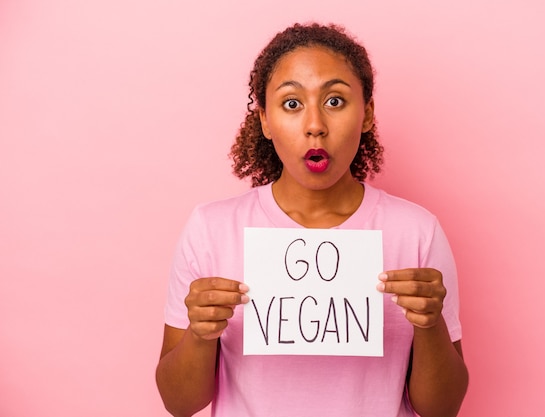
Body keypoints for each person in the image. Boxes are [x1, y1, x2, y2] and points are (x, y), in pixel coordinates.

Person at [156, 22, 468, 417]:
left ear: (367, 114)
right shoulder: (211, 231)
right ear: (265, 120)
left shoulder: (418, 233)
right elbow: (178, 403)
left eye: (335, 101)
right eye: (291, 104)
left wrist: (430, 325)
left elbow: (443, 409)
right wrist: (200, 336)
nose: (315, 124)